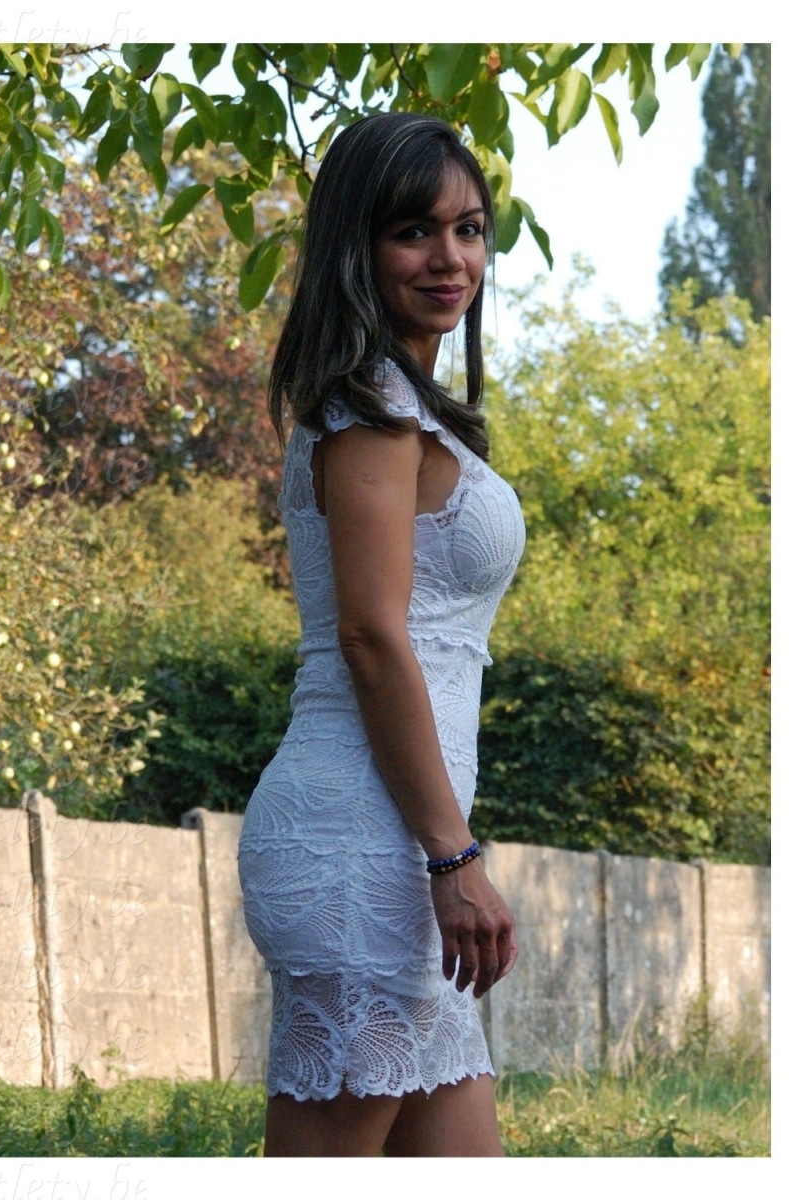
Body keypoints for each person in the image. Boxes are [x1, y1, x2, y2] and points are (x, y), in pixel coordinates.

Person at [237, 111, 525, 1157]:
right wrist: (454, 857)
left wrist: (442, 857)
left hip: (398, 853)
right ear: (356, 247)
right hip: (360, 847)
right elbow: (370, 636)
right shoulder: (367, 411)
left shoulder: (403, 406)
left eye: (468, 229)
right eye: (414, 231)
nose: (451, 259)